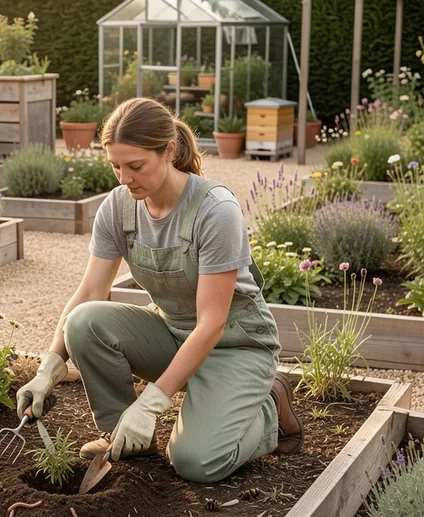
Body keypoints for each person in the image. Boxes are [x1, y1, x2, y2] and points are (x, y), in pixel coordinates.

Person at [16, 97, 303, 483]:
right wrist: (48, 368)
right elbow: (88, 293)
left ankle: (269, 404)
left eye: (135, 166)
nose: (124, 178)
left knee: (195, 462)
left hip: (235, 347)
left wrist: (151, 404)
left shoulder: (215, 211)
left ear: (168, 151)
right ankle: (125, 435)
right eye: (115, 166)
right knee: (83, 322)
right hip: (172, 334)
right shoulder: (118, 208)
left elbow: (212, 324)